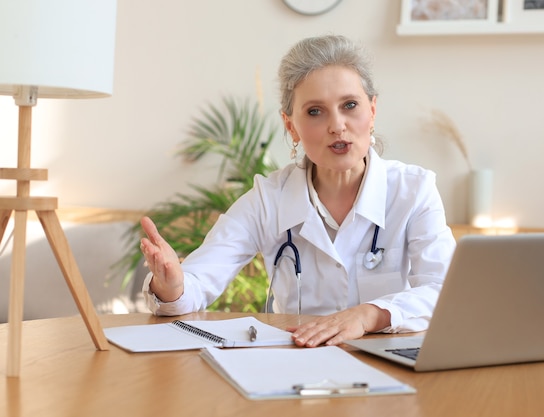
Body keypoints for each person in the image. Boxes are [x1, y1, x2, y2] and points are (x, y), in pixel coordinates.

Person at [140, 34, 456, 348]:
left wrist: (365, 316)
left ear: (372, 111)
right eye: (315, 111)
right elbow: (194, 287)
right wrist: (171, 286)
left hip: (389, 365)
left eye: (349, 105)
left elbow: (444, 289)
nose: (337, 125)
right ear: (291, 126)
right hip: (298, 366)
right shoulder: (267, 200)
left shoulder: (414, 190)